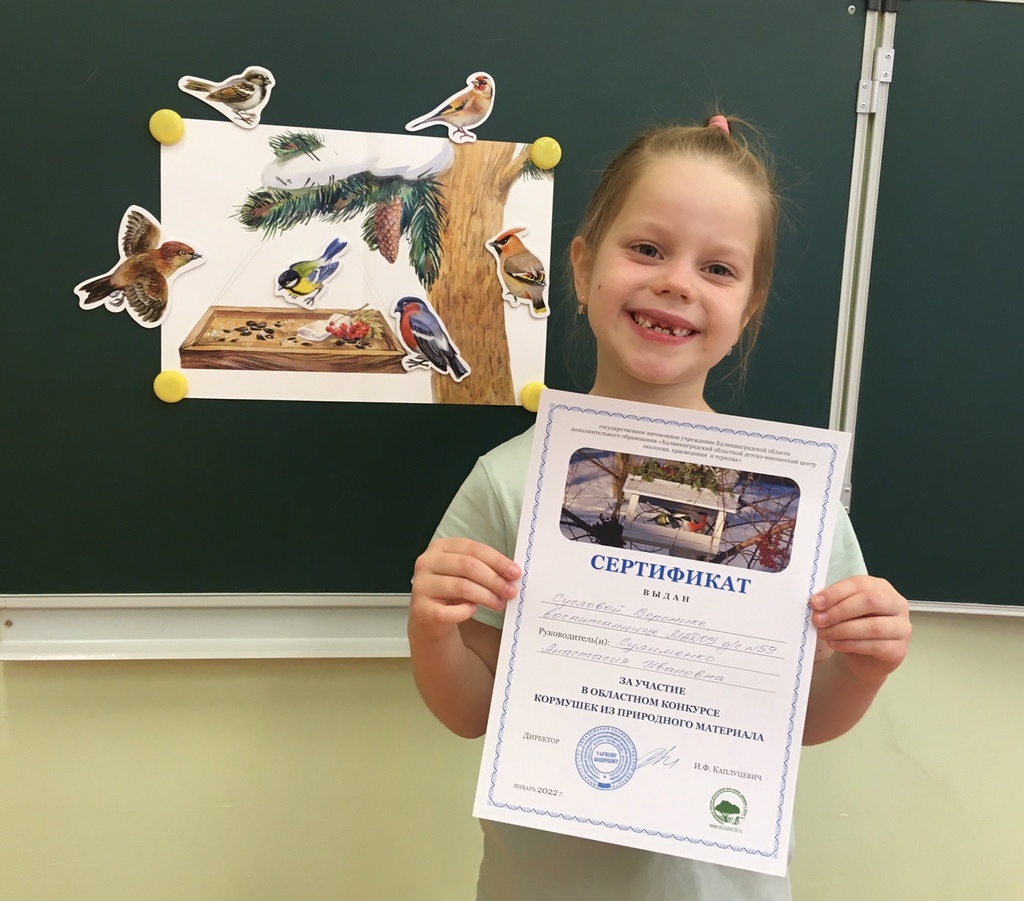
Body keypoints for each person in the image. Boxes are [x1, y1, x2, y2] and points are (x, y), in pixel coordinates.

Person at [407, 115, 912, 901]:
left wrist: (865, 665)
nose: (677, 281)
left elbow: (800, 719)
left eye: (718, 267)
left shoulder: (791, 499)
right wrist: (432, 629)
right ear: (581, 269)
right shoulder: (510, 482)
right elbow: (471, 710)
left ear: (748, 308)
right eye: (647, 249)